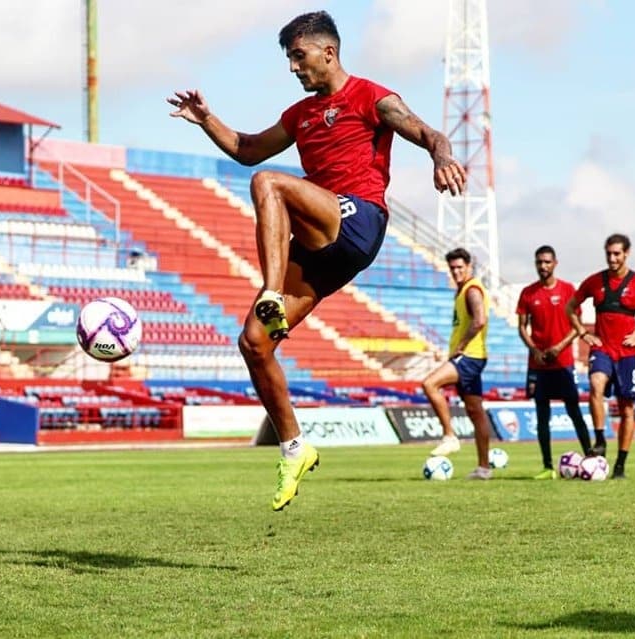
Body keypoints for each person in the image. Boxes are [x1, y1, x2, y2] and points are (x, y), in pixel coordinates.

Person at [168, 11, 466, 509]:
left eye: (298, 56)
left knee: (270, 184)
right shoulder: (299, 116)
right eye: (289, 59)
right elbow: (246, 149)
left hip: (359, 219)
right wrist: (206, 120)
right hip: (321, 239)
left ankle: (270, 292)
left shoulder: (372, 97)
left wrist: (441, 157)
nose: (293, 67)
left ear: (328, 52)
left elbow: (427, 133)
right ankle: (293, 447)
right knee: (254, 343)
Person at [565, 233, 635, 479]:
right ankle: (601, 439)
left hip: (626, 354)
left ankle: (620, 465)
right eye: (609, 254)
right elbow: (570, 307)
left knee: (627, 409)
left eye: (617, 254)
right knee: (595, 384)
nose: (612, 258)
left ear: (627, 253)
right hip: (602, 349)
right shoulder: (594, 282)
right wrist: (583, 333)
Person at [516, 245, 593, 479]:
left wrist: (560, 346)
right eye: (539, 262)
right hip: (538, 365)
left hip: (563, 363)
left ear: (555, 263)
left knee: (574, 411)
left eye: (547, 262)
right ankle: (547, 466)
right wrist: (534, 350)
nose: (543, 266)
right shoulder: (528, 293)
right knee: (542, 416)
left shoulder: (569, 290)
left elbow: (577, 325)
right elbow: (522, 326)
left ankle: (590, 458)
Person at [422, 248, 493, 479]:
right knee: (476, 412)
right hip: (473, 356)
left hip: (470, 356)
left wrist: (461, 345)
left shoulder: (472, 290)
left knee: (430, 384)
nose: (456, 272)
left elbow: (479, 320)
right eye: (452, 268)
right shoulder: (462, 291)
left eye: (460, 267)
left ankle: (450, 435)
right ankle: (484, 468)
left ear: (469, 266)